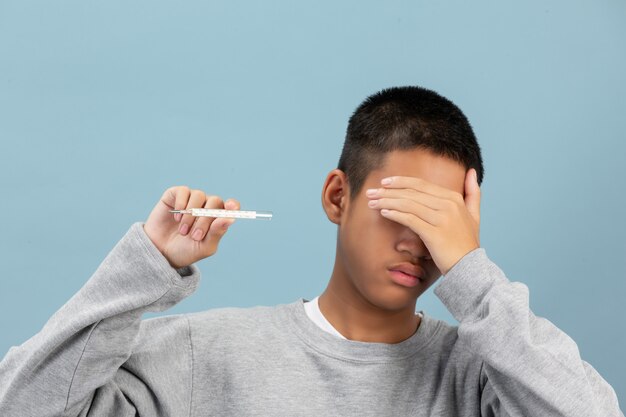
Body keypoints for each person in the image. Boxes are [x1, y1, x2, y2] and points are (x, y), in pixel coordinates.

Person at [0, 86, 622, 417]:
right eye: (401, 210)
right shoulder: (202, 357)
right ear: (336, 196)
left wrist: (474, 278)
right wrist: (145, 270)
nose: (418, 243)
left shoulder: (485, 375)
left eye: (442, 225)